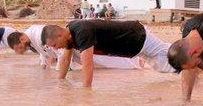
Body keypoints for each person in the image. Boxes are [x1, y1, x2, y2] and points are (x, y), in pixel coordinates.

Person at [41, 20, 178, 87]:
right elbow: (65, 60)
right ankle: (193, 74)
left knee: (174, 56)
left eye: (54, 45)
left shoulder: (82, 32)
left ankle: (196, 55)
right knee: (164, 67)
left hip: (138, 37)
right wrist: (60, 82)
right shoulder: (70, 36)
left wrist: (86, 94)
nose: (56, 49)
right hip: (133, 49)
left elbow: (87, 65)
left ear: (59, 35)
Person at [7, 24, 144, 70]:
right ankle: (135, 61)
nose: (19, 52)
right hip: (69, 50)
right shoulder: (31, 39)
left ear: (22, 38)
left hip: (71, 47)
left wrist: (60, 70)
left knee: (101, 59)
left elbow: (58, 49)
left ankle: (136, 62)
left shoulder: (38, 34)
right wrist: (44, 64)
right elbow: (42, 52)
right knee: (100, 62)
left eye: (18, 47)